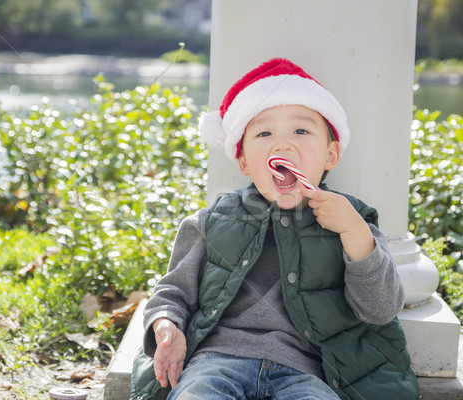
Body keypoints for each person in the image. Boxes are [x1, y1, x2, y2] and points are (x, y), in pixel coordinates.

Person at [130, 58, 419, 400]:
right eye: (264, 133)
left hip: (306, 371)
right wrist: (166, 326)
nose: (282, 145)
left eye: (301, 131)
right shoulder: (213, 220)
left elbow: (380, 310)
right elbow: (172, 293)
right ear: (244, 160)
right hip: (215, 363)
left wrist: (354, 233)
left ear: (331, 154)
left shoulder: (353, 219)